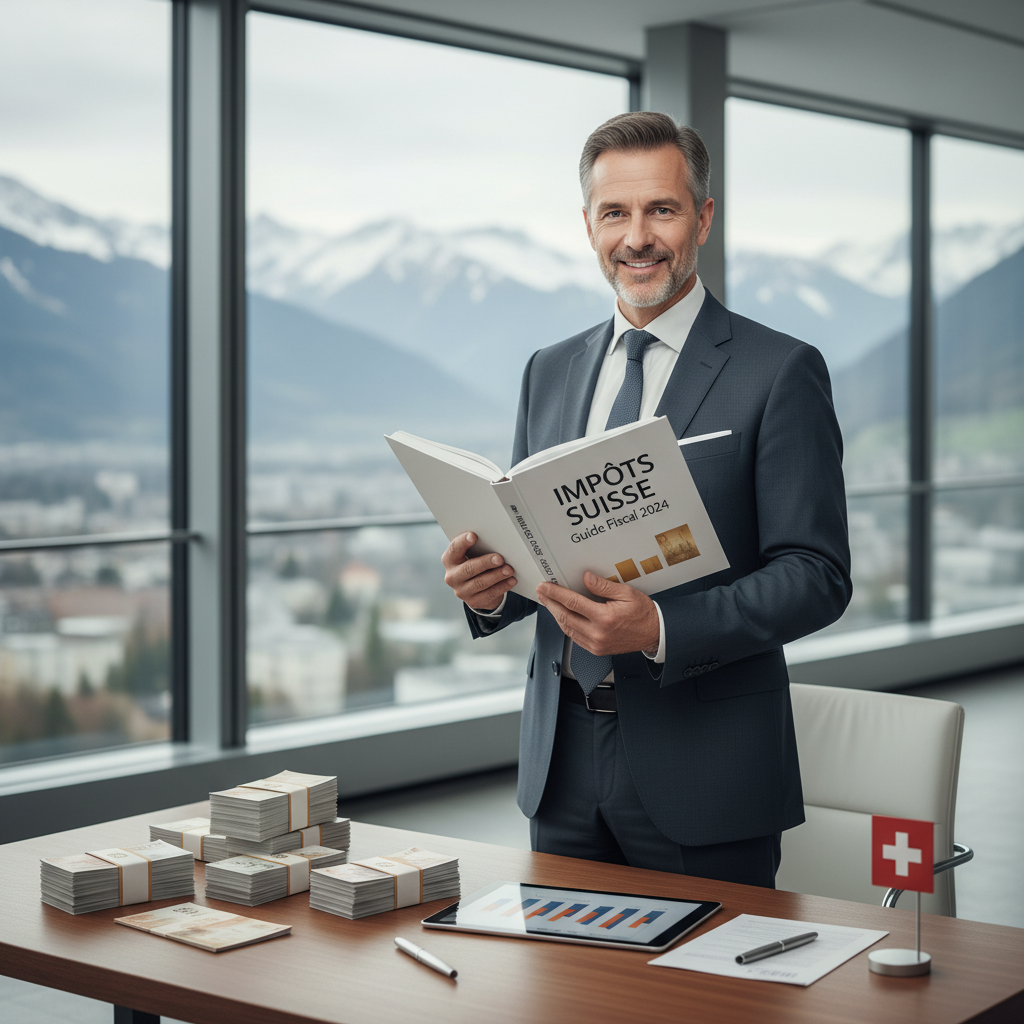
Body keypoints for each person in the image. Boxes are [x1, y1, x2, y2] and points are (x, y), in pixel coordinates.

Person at [441, 111, 852, 887]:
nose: (637, 237)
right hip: (559, 766)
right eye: (615, 213)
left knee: (709, 1003)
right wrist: (492, 589)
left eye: (661, 210)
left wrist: (660, 626)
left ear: (701, 219)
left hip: (709, 768)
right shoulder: (549, 369)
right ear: (588, 225)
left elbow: (816, 574)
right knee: (566, 999)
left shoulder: (780, 370)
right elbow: (545, 547)